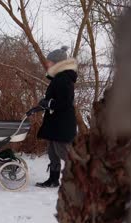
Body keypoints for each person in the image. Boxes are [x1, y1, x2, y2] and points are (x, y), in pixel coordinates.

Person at [35, 46, 78, 188]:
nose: (47, 64)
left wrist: (49, 103)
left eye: (50, 61)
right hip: (55, 122)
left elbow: (65, 103)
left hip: (62, 123)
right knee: (53, 152)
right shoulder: (57, 78)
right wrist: (46, 103)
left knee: (64, 152)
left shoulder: (64, 79)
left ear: (58, 63)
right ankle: (53, 180)